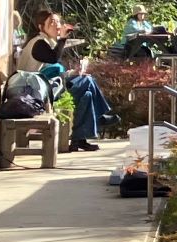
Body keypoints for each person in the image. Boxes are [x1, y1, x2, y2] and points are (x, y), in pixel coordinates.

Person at [20, 11, 113, 151]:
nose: (57, 25)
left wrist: (74, 73)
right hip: (36, 94)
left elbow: (53, 71)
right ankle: (100, 117)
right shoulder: (38, 43)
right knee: (88, 81)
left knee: (87, 93)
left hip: (48, 88)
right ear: (41, 27)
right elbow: (53, 58)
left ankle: (78, 140)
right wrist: (62, 39)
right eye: (51, 22)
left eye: (58, 21)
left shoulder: (48, 42)